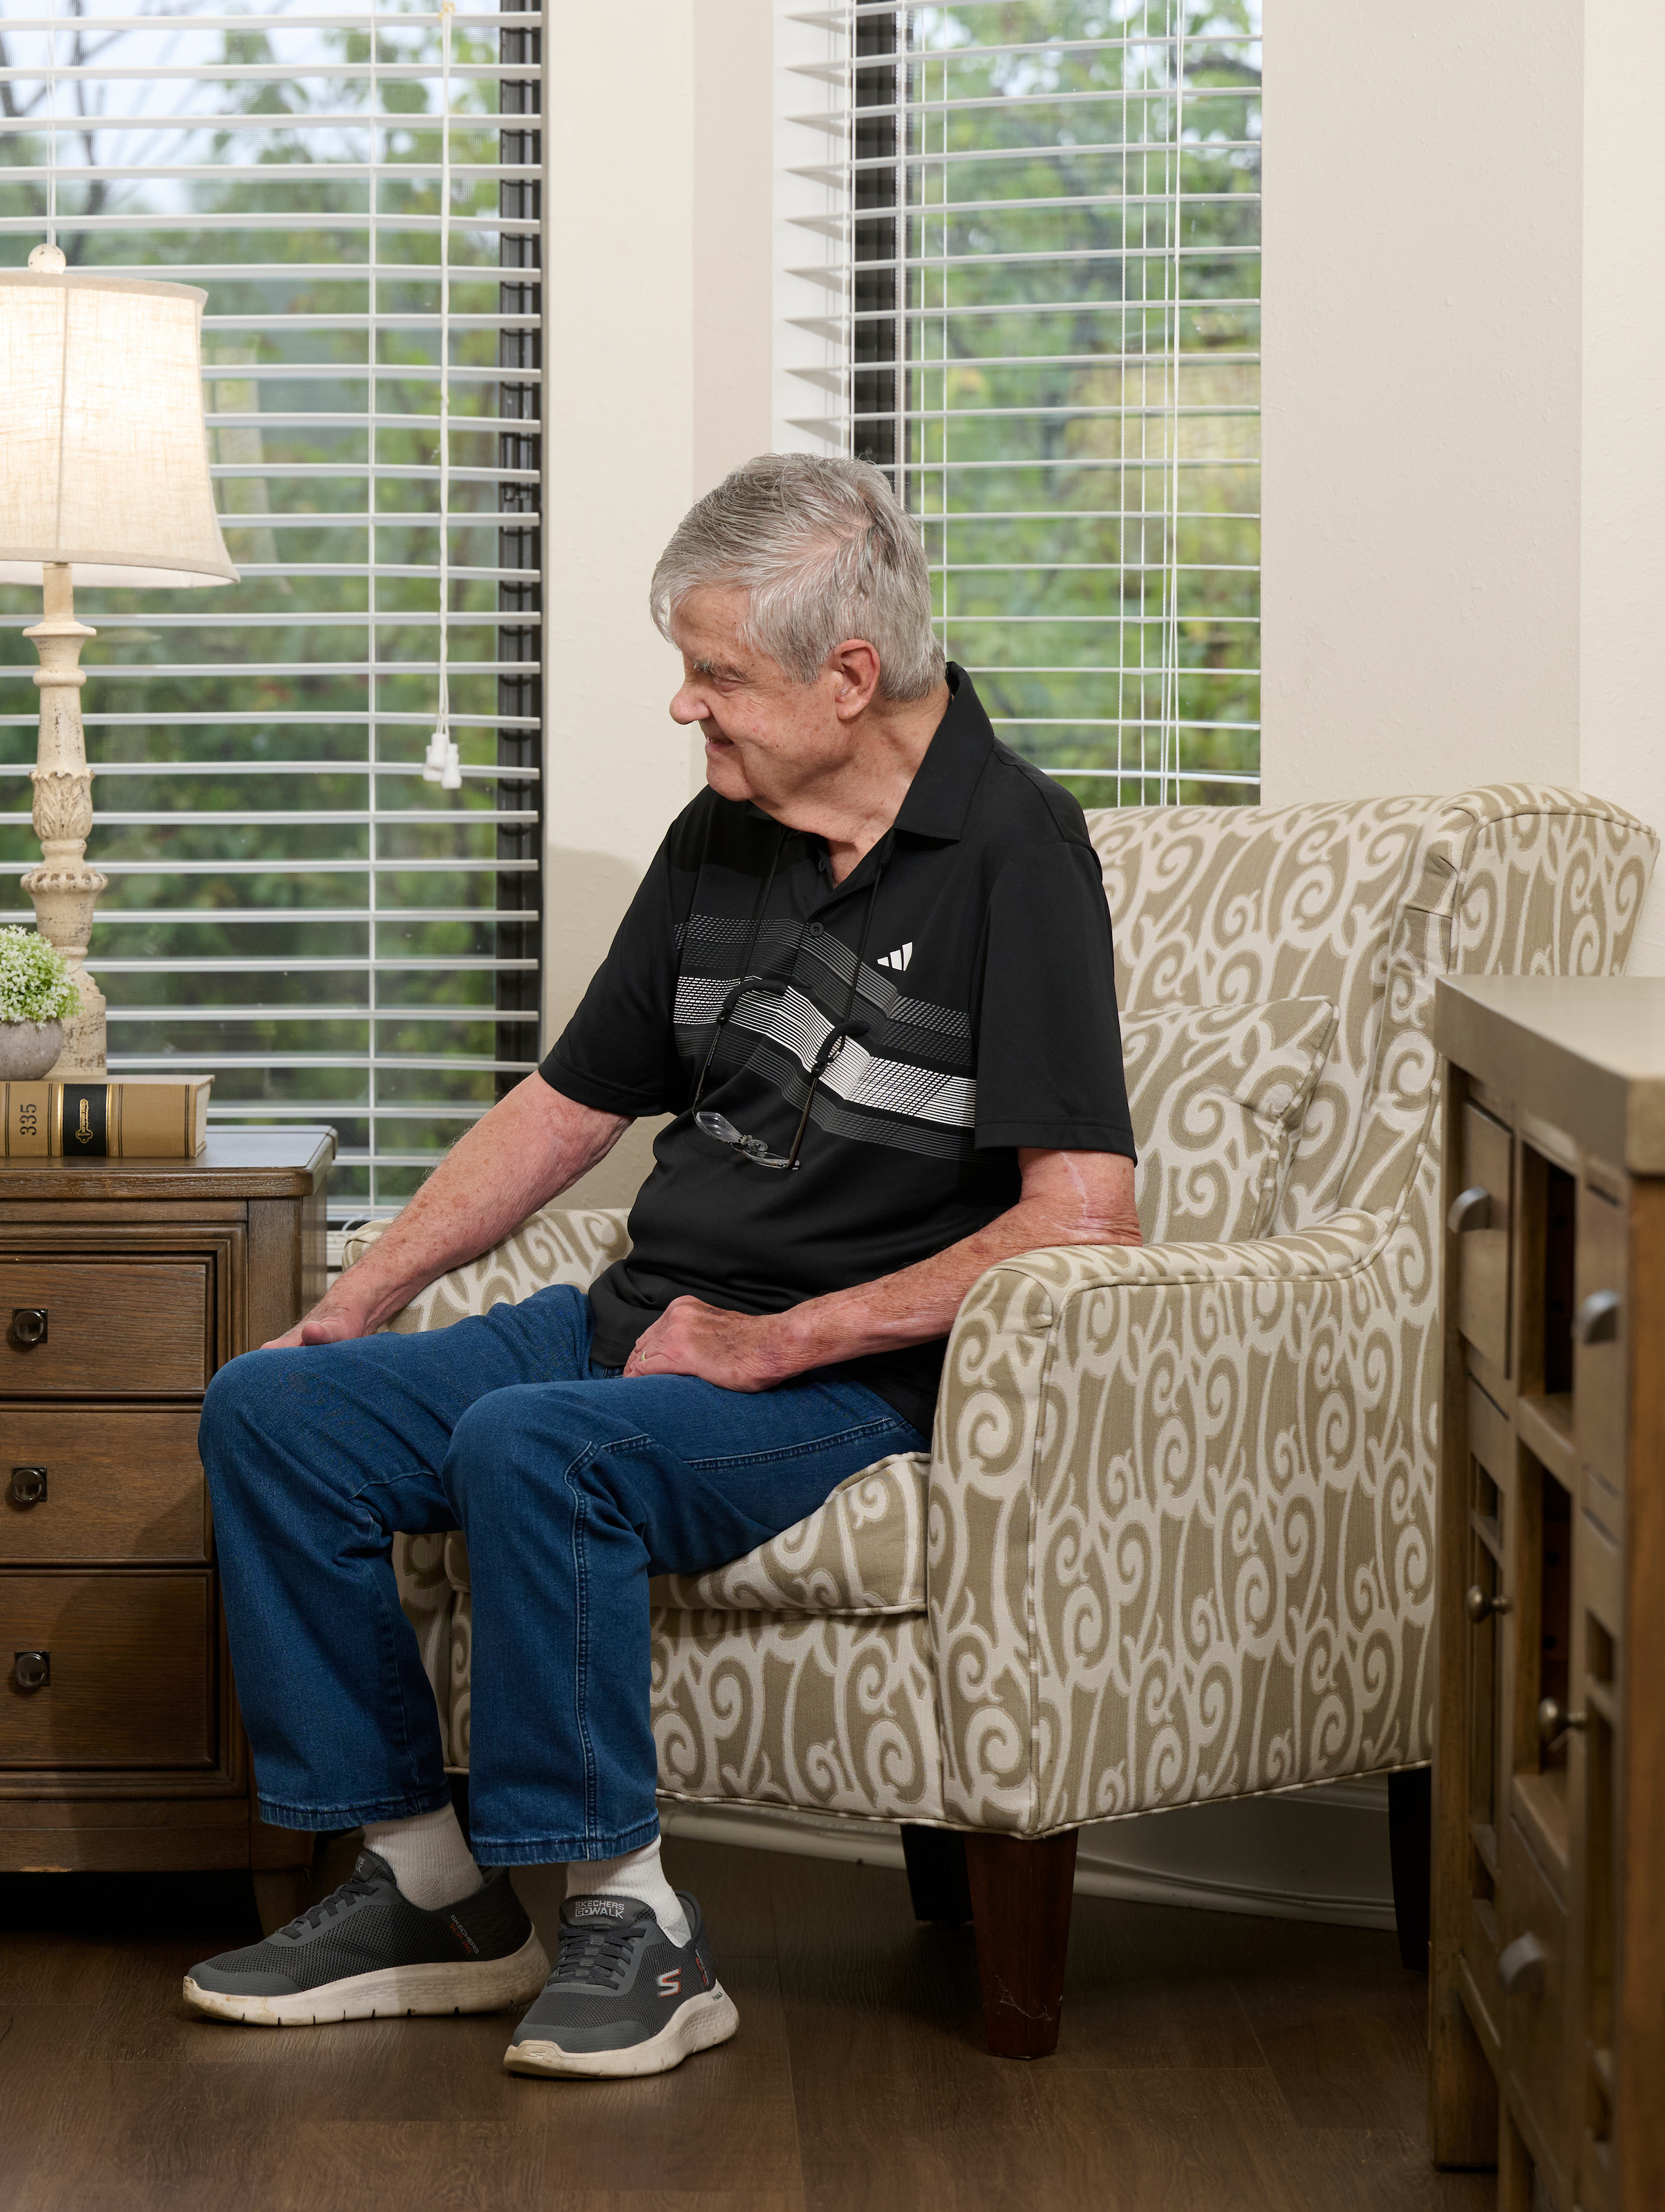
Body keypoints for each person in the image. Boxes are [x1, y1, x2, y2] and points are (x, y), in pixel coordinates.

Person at [181, 453, 1141, 2079]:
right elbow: (567, 1106)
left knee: (533, 1443)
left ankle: (636, 1917)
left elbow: (1081, 1215)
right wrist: (365, 1295)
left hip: (840, 1379)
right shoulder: (725, 838)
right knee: (278, 1408)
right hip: (642, 1321)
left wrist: (780, 1344)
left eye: (717, 674)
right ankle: (433, 1890)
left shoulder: (1017, 856)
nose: (686, 708)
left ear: (849, 677)